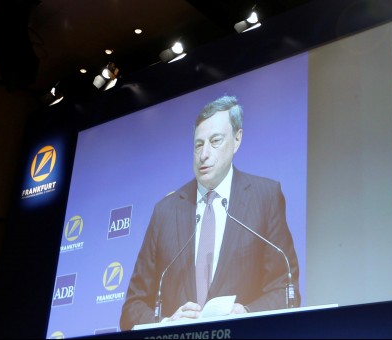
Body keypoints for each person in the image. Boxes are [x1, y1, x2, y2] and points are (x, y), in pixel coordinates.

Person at [120, 95, 301, 330]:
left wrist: (246, 313)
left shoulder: (265, 197)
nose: (204, 154)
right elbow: (132, 307)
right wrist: (165, 323)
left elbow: (285, 290)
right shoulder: (165, 211)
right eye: (198, 144)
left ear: (237, 140)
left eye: (215, 141)